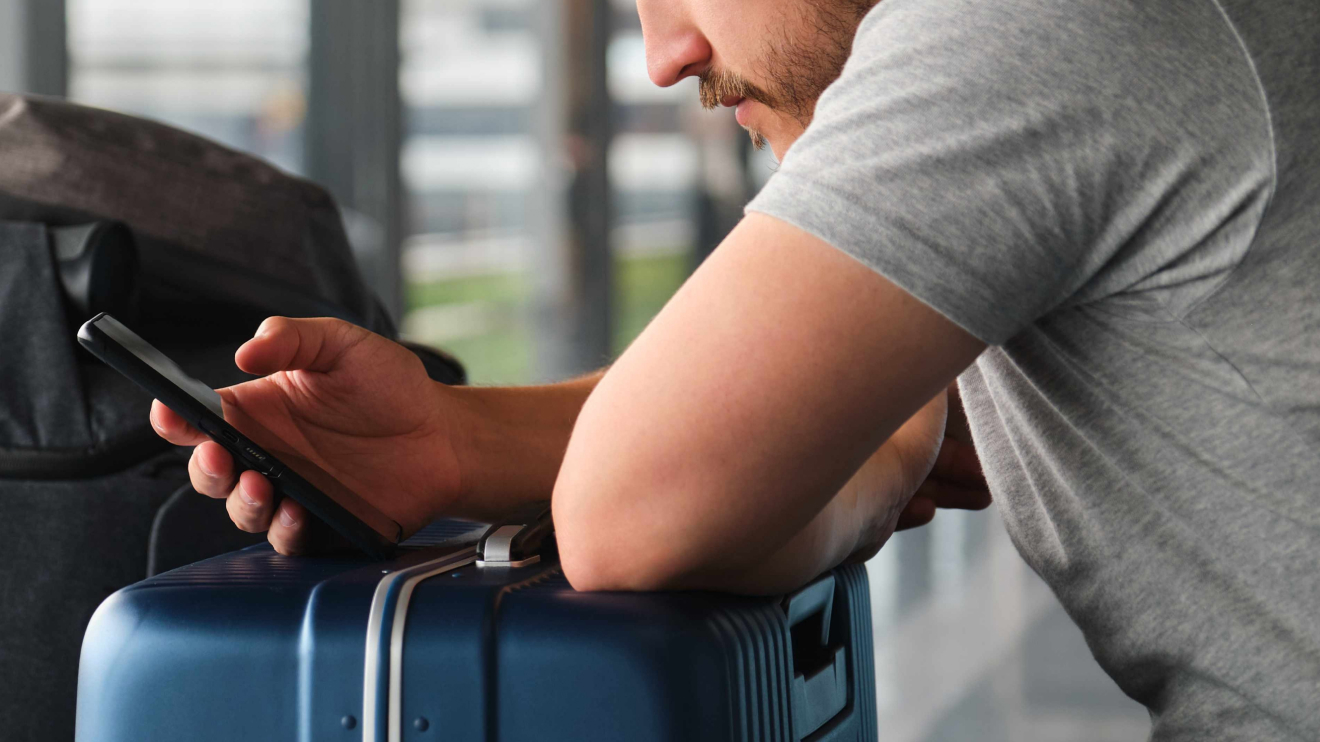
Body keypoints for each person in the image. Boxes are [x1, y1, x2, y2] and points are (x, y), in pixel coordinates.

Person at [152, 0, 1319, 738]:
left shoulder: (1022, 26)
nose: (666, 53)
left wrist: (894, 433)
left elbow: (634, 512)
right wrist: (451, 440)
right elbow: (720, 445)